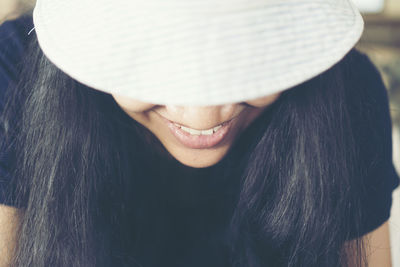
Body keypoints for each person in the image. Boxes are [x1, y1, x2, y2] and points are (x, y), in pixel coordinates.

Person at [0, 0, 399, 266]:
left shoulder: (346, 92)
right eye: (154, 63)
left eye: (245, 59)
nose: (202, 114)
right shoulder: (14, 74)